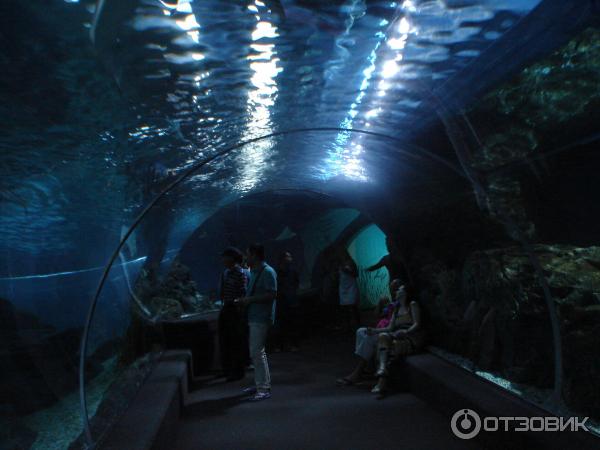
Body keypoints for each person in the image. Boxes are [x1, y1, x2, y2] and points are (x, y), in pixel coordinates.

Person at [235, 243, 277, 401]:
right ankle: (259, 383)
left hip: (261, 317)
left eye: (248, 254)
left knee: (257, 352)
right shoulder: (254, 272)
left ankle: (263, 388)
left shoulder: (267, 272)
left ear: (255, 255)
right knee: (257, 352)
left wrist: (249, 300)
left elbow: (272, 295)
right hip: (254, 316)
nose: (246, 257)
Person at [371, 284, 426, 397]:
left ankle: (381, 382)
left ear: (405, 293)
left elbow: (417, 323)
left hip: (410, 337)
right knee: (383, 336)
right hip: (397, 335)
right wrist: (374, 330)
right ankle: (382, 369)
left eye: (399, 290)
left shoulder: (412, 305)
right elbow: (390, 328)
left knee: (388, 348)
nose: (396, 292)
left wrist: (406, 332)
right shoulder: (396, 309)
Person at [217, 247, 249, 381]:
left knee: (236, 340)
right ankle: (227, 369)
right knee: (225, 340)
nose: (222, 259)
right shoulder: (226, 273)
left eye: (225, 257)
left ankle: (237, 371)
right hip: (226, 307)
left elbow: (243, 291)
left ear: (231, 258)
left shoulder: (240, 273)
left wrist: (239, 308)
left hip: (235, 309)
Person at [274, 251, 301, 352]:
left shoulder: (293, 271)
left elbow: (296, 283)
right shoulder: (277, 272)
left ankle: (293, 344)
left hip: (291, 301)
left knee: (292, 324)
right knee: (282, 324)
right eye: (288, 256)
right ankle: (280, 345)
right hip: (282, 301)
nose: (290, 258)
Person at [338, 252, 360, 329]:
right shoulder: (339, 264)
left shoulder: (351, 262)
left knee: (353, 306)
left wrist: (346, 270)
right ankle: (347, 325)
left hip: (351, 286)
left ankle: (358, 324)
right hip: (343, 287)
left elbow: (356, 274)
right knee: (344, 308)